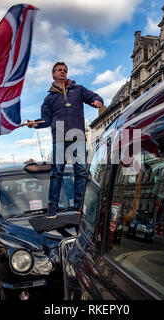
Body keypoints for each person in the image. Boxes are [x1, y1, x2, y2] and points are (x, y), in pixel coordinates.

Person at [27, 62, 103, 218]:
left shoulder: (78, 89)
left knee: (81, 172)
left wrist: (97, 101)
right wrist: (36, 124)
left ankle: (79, 206)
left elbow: (93, 96)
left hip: (78, 137)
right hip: (60, 136)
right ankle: (52, 208)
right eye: (60, 70)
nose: (63, 72)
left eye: (65, 70)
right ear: (53, 74)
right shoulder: (49, 98)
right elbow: (45, 120)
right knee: (57, 173)